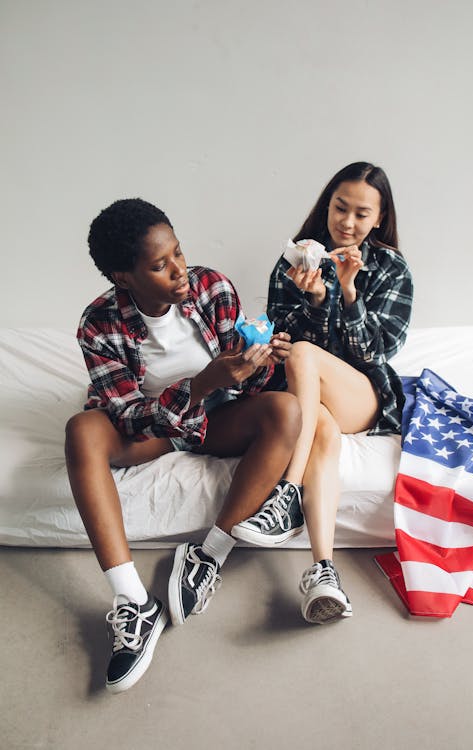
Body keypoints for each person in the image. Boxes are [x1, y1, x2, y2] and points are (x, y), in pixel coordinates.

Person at [65, 198, 301, 693]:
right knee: (81, 429)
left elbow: (248, 393)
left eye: (178, 253)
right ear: (122, 276)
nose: (179, 271)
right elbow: (128, 416)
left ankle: (208, 556)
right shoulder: (98, 323)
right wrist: (198, 385)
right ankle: (133, 603)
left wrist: (259, 364)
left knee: (286, 411)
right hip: (149, 431)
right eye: (159, 265)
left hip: (213, 420)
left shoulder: (211, 286)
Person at [231, 162, 413, 624]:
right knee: (322, 432)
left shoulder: (391, 268)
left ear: (379, 217)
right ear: (326, 205)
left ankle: (288, 490)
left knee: (309, 359)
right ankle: (323, 570)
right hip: (310, 395)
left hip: (362, 395)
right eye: (339, 208)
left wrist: (348, 292)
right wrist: (312, 300)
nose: (347, 222)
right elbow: (282, 346)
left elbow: (375, 352)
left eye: (361, 213)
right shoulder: (295, 260)